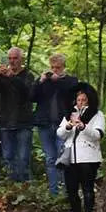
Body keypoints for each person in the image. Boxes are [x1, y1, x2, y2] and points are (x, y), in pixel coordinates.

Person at [57, 82, 106, 212]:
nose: (80, 102)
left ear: (89, 100)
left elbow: (98, 135)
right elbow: (60, 134)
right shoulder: (70, 114)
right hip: (70, 157)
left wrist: (84, 127)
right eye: (78, 100)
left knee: (87, 189)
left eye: (83, 100)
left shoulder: (97, 115)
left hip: (88, 158)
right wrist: (68, 126)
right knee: (71, 189)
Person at [32, 53, 78, 196]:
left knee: (62, 157)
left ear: (63, 67)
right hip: (45, 124)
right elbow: (31, 97)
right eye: (52, 67)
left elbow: (73, 95)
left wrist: (57, 81)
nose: (54, 70)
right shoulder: (45, 81)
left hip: (63, 125)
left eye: (57, 67)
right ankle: (54, 192)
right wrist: (40, 81)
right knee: (50, 159)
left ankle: (66, 191)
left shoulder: (71, 81)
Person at [0, 47, 36, 182]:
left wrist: (13, 78)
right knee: (8, 156)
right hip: (6, 121)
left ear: (21, 59)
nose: (12, 61)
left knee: (23, 157)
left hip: (23, 122)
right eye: (10, 58)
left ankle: (24, 185)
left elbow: (27, 93)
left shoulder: (28, 76)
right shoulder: (3, 77)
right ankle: (12, 185)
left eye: (15, 58)